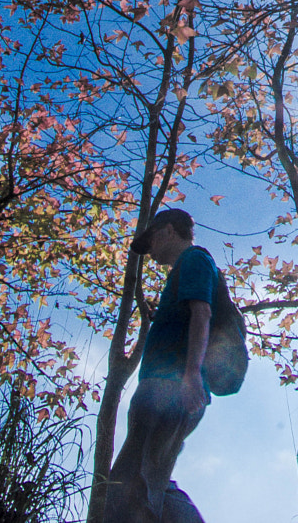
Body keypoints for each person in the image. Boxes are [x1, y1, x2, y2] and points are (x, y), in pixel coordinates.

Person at [108, 208, 217, 523]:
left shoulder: (194, 260)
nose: (150, 248)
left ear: (169, 230)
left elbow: (202, 313)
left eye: (151, 238)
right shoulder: (183, 269)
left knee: (127, 487)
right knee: (151, 480)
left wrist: (192, 375)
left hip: (169, 389)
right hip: (163, 389)